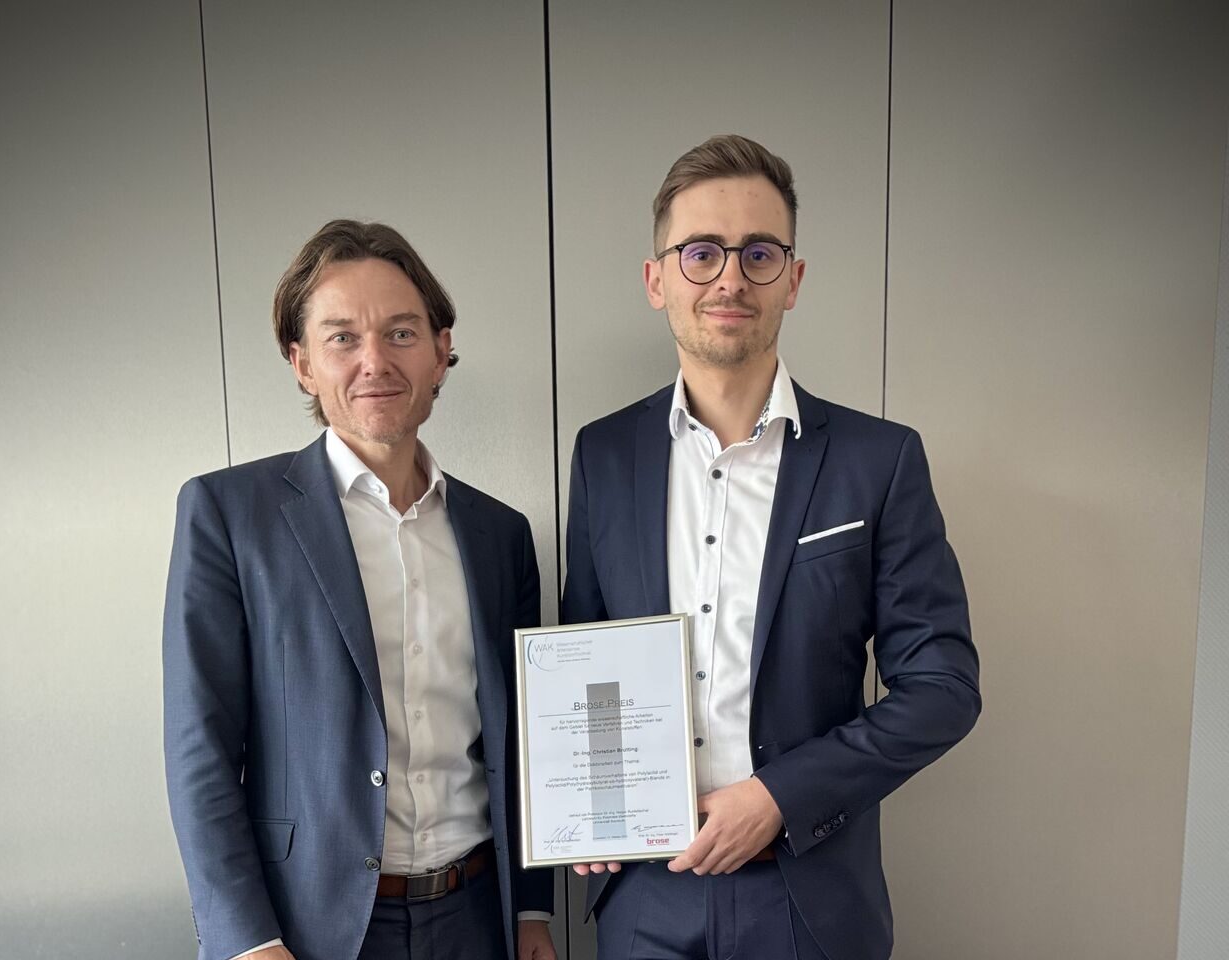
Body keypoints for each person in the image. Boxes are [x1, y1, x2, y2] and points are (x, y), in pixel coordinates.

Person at [561, 136, 981, 960]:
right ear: (656, 280)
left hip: (807, 895)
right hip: (643, 895)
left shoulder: (878, 460)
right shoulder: (602, 455)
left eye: (759, 254)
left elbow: (943, 688)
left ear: (792, 279)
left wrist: (779, 797)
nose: (729, 279)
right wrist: (590, 800)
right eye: (701, 253)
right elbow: (587, 658)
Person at [163, 220, 556, 960]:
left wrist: (532, 910)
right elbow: (200, 750)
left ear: (439, 351)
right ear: (302, 363)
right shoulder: (230, 515)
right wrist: (247, 941)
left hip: (478, 918)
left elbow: (525, 741)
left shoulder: (500, 535)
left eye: (401, 333)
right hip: (308, 928)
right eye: (342, 337)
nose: (375, 361)